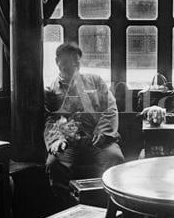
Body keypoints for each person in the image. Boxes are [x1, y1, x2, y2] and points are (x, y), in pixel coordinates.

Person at [44, 43, 123, 201]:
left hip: (98, 139)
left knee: (115, 157)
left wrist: (103, 131)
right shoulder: (51, 91)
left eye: (76, 61)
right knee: (54, 163)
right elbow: (51, 119)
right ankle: (67, 208)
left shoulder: (95, 81)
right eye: (66, 61)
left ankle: (109, 206)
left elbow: (110, 108)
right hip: (69, 141)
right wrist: (56, 139)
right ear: (57, 62)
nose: (73, 65)